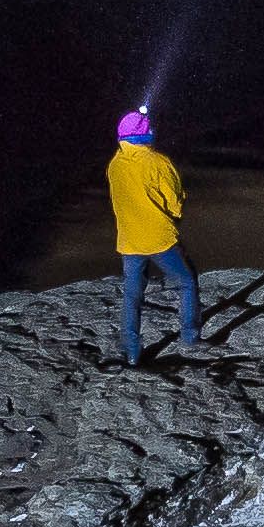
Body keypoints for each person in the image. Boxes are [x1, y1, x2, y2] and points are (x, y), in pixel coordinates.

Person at [108, 107, 200, 365]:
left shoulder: (115, 164)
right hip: (159, 238)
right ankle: (190, 337)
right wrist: (181, 199)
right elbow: (174, 205)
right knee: (186, 281)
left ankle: (131, 352)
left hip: (129, 240)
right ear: (146, 135)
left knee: (133, 294)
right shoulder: (159, 163)